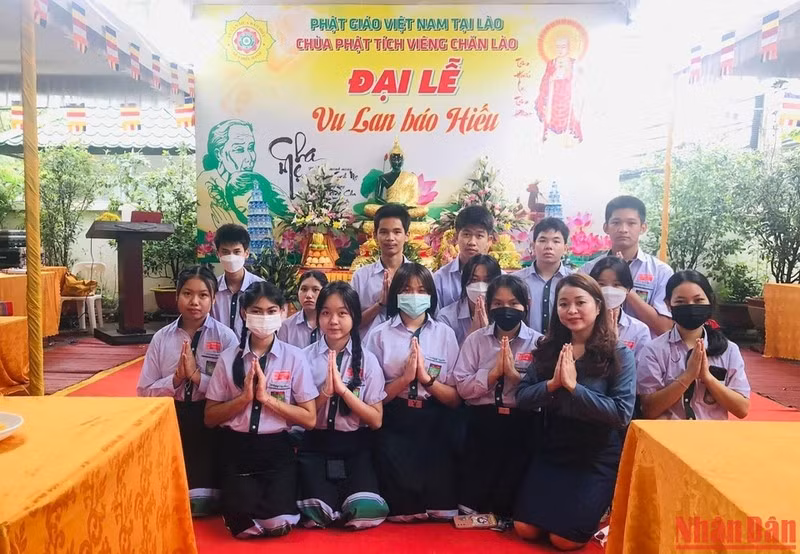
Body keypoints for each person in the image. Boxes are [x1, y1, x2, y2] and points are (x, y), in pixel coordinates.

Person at [514, 273, 636, 550]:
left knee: (564, 540)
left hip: (595, 454)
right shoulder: (549, 349)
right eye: (563, 304)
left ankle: (598, 506)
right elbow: (522, 397)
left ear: (597, 305)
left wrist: (573, 388)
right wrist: (553, 385)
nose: (571, 311)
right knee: (525, 530)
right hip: (553, 447)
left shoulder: (618, 354)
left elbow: (621, 414)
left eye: (580, 302)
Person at [204, 281, 318, 539]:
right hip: (236, 448)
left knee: (277, 524)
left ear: (284, 312)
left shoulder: (294, 357)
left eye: (271, 311)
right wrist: (243, 399)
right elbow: (210, 418)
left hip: (277, 449)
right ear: (244, 313)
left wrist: (267, 399)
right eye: (256, 311)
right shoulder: (229, 358)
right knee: (245, 529)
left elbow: (309, 419)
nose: (263, 317)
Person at [136, 265, 238, 517]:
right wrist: (175, 379)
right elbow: (144, 391)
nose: (195, 302)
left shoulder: (226, 338)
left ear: (213, 299)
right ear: (176, 296)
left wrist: (197, 377)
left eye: (203, 295)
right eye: (187, 294)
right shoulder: (162, 338)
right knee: (163, 496)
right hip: (172, 418)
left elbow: (233, 393)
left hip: (211, 422)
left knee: (205, 502)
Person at [365, 262, 461, 522]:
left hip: (435, 422)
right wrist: (405, 379)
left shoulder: (445, 334)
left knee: (442, 511)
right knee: (404, 514)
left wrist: (427, 381)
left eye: (421, 290)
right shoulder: (378, 336)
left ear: (430, 295)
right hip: (396, 421)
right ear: (396, 294)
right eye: (407, 290)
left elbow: (455, 399)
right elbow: (371, 399)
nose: (414, 296)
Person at [298, 282, 389, 529]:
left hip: (355, 447)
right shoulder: (303, 358)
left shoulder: (368, 361)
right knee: (317, 514)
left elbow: (376, 420)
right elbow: (299, 417)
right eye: (326, 313)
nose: (333, 320)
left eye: (342, 313)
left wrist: (344, 392)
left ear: (354, 317)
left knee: (364, 512)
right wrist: (326, 393)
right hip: (315, 445)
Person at [454, 274, 542, 518]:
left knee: (509, 502)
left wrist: (514, 377)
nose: (506, 310)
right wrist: (492, 376)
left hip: (521, 423)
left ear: (526, 306)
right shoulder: (475, 340)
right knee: (472, 501)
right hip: (482, 422)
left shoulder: (539, 343)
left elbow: (542, 394)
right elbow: (462, 387)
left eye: (513, 304)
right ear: (489, 306)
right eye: (498, 304)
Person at [637, 270, 750, 420]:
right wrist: (687, 376)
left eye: (698, 301)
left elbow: (742, 409)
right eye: (681, 302)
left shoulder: (729, 350)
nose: (690, 307)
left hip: (712, 438)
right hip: (667, 437)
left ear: (710, 301)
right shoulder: (654, 350)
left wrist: (707, 378)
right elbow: (648, 410)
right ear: (668, 305)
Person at [580, 196, 674, 337]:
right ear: (606, 227)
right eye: (616, 222)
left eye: (631, 223)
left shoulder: (661, 272)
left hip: (646, 353)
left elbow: (665, 327)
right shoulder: (588, 271)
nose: (623, 229)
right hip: (597, 350)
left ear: (643, 227)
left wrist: (624, 287)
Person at [351, 204, 411, 333]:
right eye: (384, 232)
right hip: (367, 350)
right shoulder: (361, 277)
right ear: (374, 235)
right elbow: (351, 323)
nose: (390, 238)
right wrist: (380, 304)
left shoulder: (419, 276)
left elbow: (429, 319)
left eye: (397, 232)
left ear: (407, 235)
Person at [513, 217, 572, 334]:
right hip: (525, 348)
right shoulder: (516, 280)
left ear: (565, 248)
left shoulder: (573, 281)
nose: (549, 246)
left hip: (565, 347)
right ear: (533, 245)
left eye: (556, 241)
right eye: (543, 240)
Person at [588, 256, 651, 358]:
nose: (608, 290)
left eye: (616, 285)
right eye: (601, 284)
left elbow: (641, 370)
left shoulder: (639, 331)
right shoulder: (583, 323)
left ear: (627, 289)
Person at [433, 205, 494, 309]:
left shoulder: (500, 277)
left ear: (489, 240)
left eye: (479, 236)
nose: (472, 242)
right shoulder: (440, 278)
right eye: (466, 234)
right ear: (456, 237)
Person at [211, 224, 264, 336]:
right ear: (218, 254)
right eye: (225, 252)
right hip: (218, 351)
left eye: (236, 252)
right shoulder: (211, 288)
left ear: (246, 253)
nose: (231, 257)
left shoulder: (261, 288)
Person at [438, 254, 502, 344]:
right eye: (474, 280)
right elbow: (446, 355)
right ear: (465, 282)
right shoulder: (447, 317)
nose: (480, 286)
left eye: (487, 281)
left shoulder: (504, 315)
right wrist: (472, 336)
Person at [278, 271, 329, 348]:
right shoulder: (286, 327)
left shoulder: (332, 324)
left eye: (315, 290)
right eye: (304, 289)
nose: (308, 295)